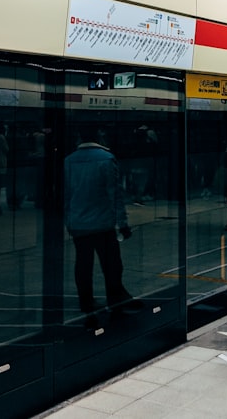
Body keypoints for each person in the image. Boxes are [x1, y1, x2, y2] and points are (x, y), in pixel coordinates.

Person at [64, 127, 138, 322]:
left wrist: (68, 220)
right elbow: (115, 195)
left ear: (79, 137)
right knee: (112, 264)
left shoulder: (69, 160)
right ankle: (115, 300)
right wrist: (122, 223)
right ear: (99, 136)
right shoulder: (106, 158)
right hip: (102, 223)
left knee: (83, 264)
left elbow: (66, 194)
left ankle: (86, 302)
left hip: (78, 222)